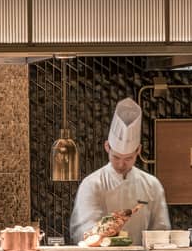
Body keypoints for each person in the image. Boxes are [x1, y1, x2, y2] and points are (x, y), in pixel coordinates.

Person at [69, 98, 170, 242]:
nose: (121, 164)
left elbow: (161, 230)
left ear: (138, 151)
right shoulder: (92, 184)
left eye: (128, 158)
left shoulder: (152, 185)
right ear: (107, 147)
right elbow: (84, 230)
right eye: (116, 157)